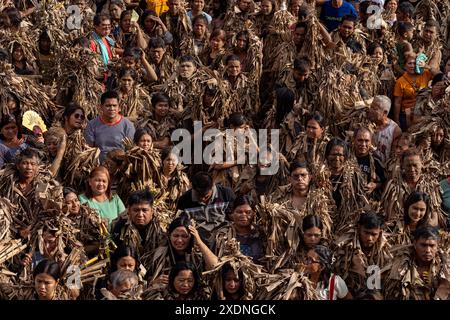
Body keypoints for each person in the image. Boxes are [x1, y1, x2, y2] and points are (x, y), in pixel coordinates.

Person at [384, 225, 450, 300]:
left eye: (432, 246)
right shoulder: (400, 265)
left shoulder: (445, 267)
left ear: (437, 246)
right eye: (423, 245)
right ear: (415, 244)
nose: (428, 250)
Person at [334, 211, 391, 297]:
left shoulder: (385, 253)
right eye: (366, 233)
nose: (369, 238)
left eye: (374, 234)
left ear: (380, 232)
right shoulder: (345, 250)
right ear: (359, 228)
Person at [177, 171, 236, 245]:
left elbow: (234, 218)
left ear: (212, 186)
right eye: (199, 196)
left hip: (223, 240)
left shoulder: (226, 194)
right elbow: (180, 223)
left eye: (206, 196)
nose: (203, 199)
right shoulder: (184, 200)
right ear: (192, 188)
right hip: (197, 242)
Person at [85, 90, 136, 162]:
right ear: (101, 107)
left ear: (119, 107)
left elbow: (131, 150)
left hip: (122, 165)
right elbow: (89, 149)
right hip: (98, 166)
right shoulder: (92, 125)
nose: (112, 109)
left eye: (114, 106)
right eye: (108, 106)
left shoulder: (128, 125)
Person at [111, 189, 164, 255]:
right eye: (136, 210)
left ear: (152, 211)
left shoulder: (161, 229)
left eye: (144, 210)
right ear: (129, 210)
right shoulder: (120, 227)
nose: (140, 215)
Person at [393, 52, 435, 130]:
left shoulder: (425, 74)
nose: (413, 66)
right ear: (405, 66)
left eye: (415, 63)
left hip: (423, 114)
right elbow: (397, 102)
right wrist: (396, 120)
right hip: (406, 116)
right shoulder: (400, 81)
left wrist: (427, 66)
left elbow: (439, 75)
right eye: (410, 63)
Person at [353, 127, 386, 199]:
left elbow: (385, 182)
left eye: (366, 141)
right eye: (360, 140)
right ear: (354, 140)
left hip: (368, 202)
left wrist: (375, 185)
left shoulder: (375, 161)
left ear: (371, 142)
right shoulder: (347, 158)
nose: (363, 144)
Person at [368, 95, 402, 164]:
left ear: (385, 113)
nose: (370, 110)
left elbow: (394, 157)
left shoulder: (394, 130)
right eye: (371, 107)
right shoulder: (365, 123)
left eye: (375, 108)